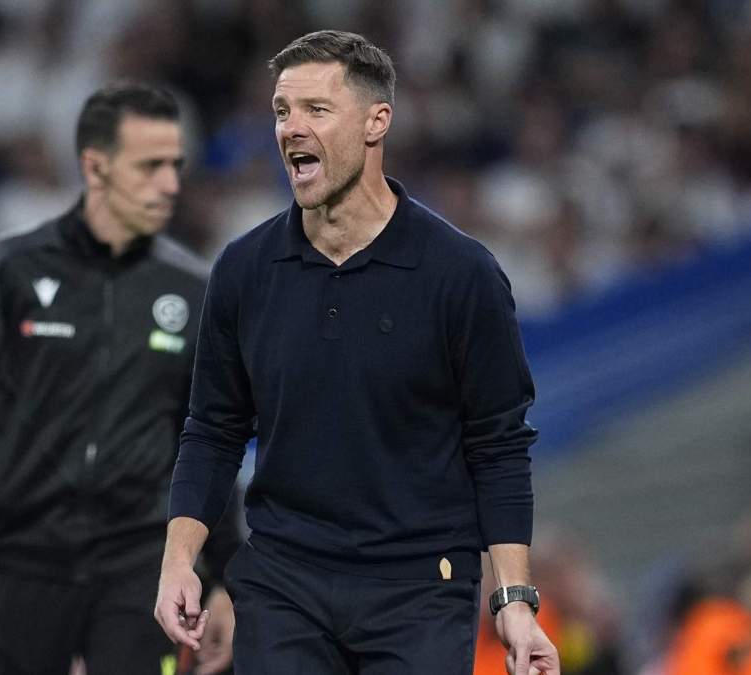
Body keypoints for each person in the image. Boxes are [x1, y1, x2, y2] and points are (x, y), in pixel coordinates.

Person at [155, 30, 560, 675]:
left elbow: (498, 443)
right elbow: (213, 429)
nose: (291, 128)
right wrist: (181, 561)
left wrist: (513, 598)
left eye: (317, 110)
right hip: (284, 580)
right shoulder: (242, 271)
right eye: (283, 111)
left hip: (422, 587)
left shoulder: (460, 274)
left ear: (377, 123)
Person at [0, 82, 239, 675]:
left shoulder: (195, 290)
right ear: (96, 167)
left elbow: (213, 439)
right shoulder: (10, 271)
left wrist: (226, 576)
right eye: (150, 166)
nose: (170, 184)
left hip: (139, 563)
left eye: (175, 166)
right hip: (19, 560)